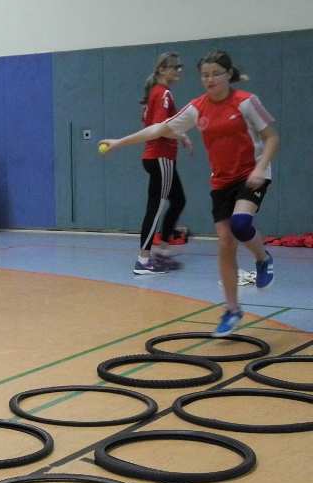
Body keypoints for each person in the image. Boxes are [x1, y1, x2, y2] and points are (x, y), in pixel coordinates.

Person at [100, 50, 278, 336]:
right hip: (221, 181)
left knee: (241, 223)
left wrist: (261, 167)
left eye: (215, 74)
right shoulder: (197, 108)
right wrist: (119, 142)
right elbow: (159, 129)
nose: (210, 79)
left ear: (228, 75)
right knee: (225, 242)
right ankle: (232, 310)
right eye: (205, 75)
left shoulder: (246, 102)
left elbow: (272, 137)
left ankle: (262, 258)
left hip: (251, 174)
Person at [134, 52, 192, 275]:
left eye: (180, 67)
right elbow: (160, 128)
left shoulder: (155, 93)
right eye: (175, 67)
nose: (178, 71)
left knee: (178, 200)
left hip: (157, 157)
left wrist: (181, 136)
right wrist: (181, 135)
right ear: (162, 69)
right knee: (155, 208)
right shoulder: (163, 93)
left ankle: (163, 251)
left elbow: (160, 125)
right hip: (161, 157)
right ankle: (143, 260)